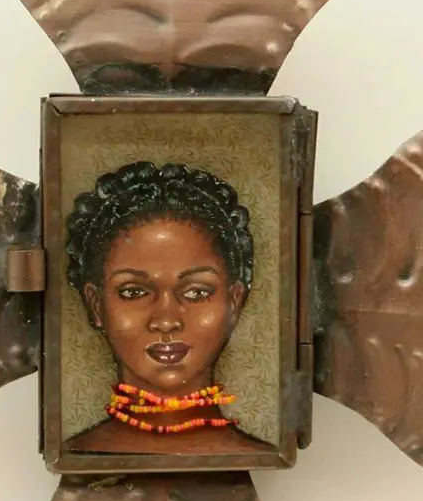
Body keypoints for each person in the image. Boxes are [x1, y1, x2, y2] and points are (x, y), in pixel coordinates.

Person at [64, 161, 274, 456]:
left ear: (234, 302)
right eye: (134, 292)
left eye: (197, 292)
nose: (166, 320)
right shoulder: (75, 455)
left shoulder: (260, 456)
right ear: (96, 305)